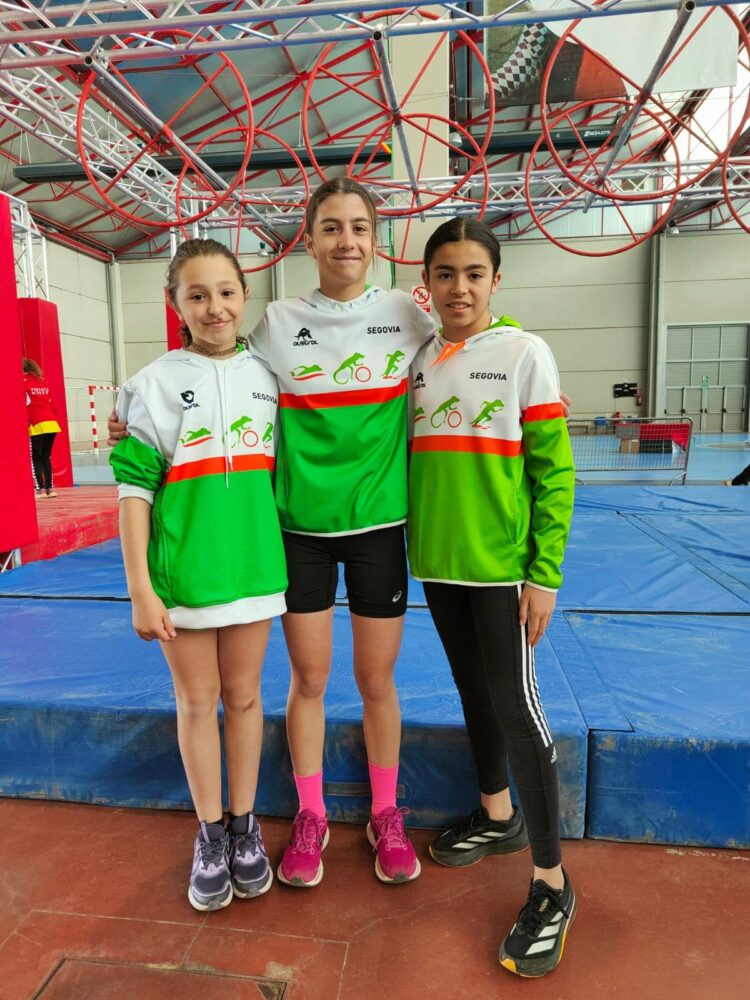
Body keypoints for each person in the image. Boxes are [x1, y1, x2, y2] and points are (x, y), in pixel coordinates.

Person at [250, 178, 436, 887]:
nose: (347, 241)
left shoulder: (405, 311)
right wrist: (139, 415)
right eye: (332, 227)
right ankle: (311, 815)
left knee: (375, 678)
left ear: (377, 238)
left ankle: (386, 813)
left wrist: (527, 372)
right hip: (300, 529)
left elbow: (468, 331)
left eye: (359, 227)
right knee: (310, 678)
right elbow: (225, 377)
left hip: (380, 527)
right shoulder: (275, 319)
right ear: (310, 237)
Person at [407, 219, 576, 978]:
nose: (460, 288)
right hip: (439, 567)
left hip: (502, 569)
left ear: (496, 280)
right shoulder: (418, 357)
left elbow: (555, 473)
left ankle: (551, 882)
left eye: (474, 274)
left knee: (517, 704)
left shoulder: (523, 353)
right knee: (473, 691)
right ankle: (498, 815)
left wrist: (543, 573)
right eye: (445, 274)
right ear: (428, 282)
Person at [110, 238, 287, 912]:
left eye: (226, 292)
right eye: (197, 295)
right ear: (175, 304)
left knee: (244, 699)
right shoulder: (153, 384)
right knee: (196, 702)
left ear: (246, 297)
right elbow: (134, 494)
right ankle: (209, 833)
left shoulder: (271, 377)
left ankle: (246, 827)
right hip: (183, 576)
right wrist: (140, 587)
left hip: (252, 569)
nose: (215, 307)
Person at [23, 358, 61, 498]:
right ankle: (50, 489)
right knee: (46, 457)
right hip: (51, 423)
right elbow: (52, 405)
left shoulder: (23, 382)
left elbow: (22, 404)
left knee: (35, 457)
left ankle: (39, 490)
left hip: (36, 423)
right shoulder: (41, 381)